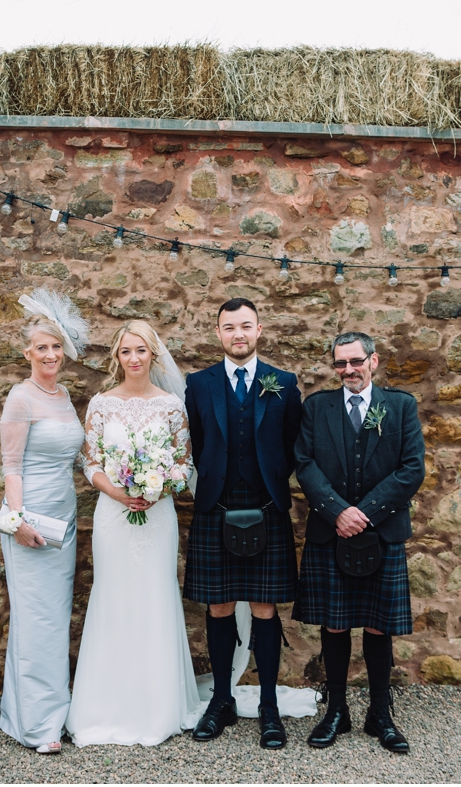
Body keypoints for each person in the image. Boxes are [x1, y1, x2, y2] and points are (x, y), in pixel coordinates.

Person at [63, 319, 201, 748]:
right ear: (117, 358)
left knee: (156, 596)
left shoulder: (172, 406)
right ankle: (105, 706)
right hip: (113, 515)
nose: (134, 358)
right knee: (114, 597)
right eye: (126, 351)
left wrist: (158, 486)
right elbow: (91, 463)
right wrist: (120, 493)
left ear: (153, 355)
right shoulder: (103, 403)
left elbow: (184, 463)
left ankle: (158, 706)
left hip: (157, 517)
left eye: (141, 350)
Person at [295, 329, 425, 755]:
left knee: (377, 622)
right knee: (334, 621)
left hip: (380, 530)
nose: (348, 370)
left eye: (355, 361)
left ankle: (380, 713)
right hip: (330, 530)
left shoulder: (401, 406)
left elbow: (411, 469)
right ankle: (336, 710)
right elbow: (305, 463)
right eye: (340, 363)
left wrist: (364, 512)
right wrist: (338, 511)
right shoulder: (317, 407)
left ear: (373, 360)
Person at [183, 297, 304, 747]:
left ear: (259, 330)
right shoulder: (199, 384)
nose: (238, 334)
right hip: (215, 508)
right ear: (218, 333)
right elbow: (194, 441)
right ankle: (222, 701)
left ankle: (269, 705)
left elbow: (293, 443)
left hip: (266, 509)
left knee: (264, 608)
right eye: (229, 327)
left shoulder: (283, 383)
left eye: (246, 326)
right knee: (216, 606)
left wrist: (270, 480)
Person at [0, 291, 87, 753]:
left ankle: (50, 710)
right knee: (35, 619)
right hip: (30, 520)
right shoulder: (20, 397)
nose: (50, 355)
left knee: (54, 618)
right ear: (27, 353)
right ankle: (37, 726)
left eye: (56, 348)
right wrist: (18, 521)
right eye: (41, 348)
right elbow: (11, 466)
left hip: (64, 520)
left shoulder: (65, 395)